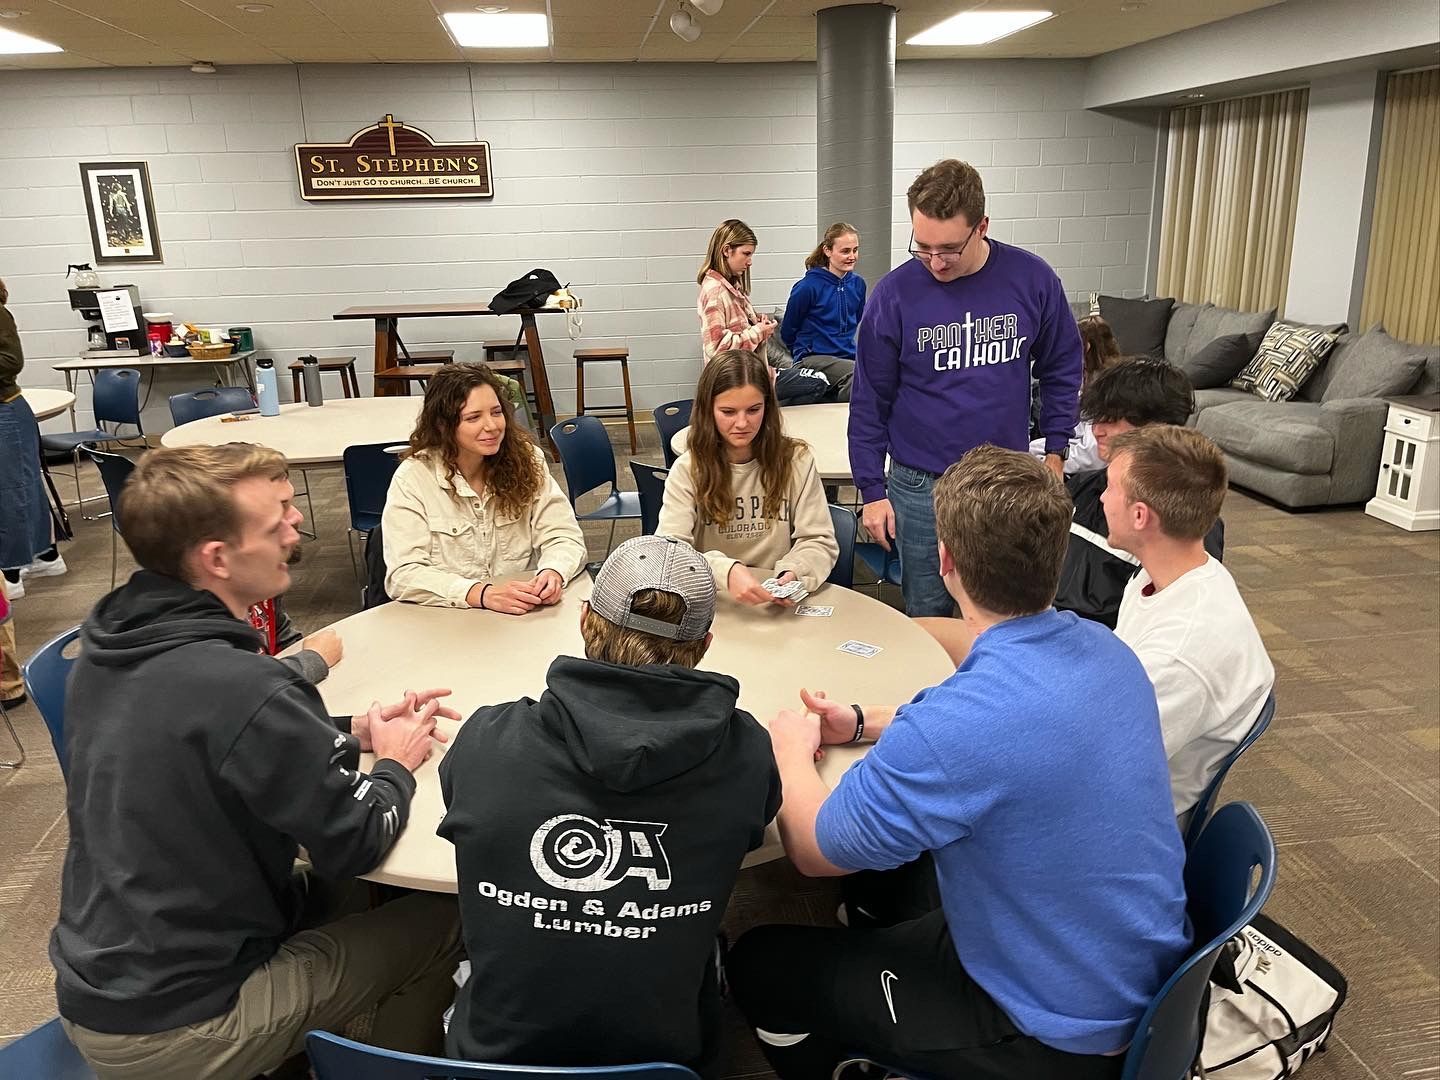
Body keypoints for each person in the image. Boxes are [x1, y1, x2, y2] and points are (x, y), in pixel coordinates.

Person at [727, 446, 1190, 1080]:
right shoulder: (1107, 650)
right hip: (1134, 975)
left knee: (761, 960)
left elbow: (812, 851)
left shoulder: (954, 732)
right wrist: (863, 721)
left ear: (945, 561)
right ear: (1057, 557)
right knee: (893, 889)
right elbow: (993, 717)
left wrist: (788, 747)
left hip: (1049, 1032)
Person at [52, 443, 464, 1080]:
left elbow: (211, 734)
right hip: (182, 1022)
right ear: (217, 558)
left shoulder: (114, 643)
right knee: (443, 919)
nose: (297, 525)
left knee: (361, 893)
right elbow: (356, 839)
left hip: (110, 974)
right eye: (276, 522)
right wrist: (394, 764)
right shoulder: (244, 687)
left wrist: (350, 731)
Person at [438, 534, 781, 1077]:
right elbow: (756, 824)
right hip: (669, 1057)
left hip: (496, 1060)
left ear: (584, 620)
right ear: (705, 644)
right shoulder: (747, 752)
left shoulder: (487, 738)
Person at [849, 159, 1083, 617]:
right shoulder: (893, 295)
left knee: (1007, 615)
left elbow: (1062, 365)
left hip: (1005, 480)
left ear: (982, 227)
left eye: (950, 249)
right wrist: (872, 490)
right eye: (923, 247)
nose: (936, 262)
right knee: (928, 613)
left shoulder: (1032, 279)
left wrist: (1057, 449)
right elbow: (869, 401)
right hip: (921, 485)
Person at [1103, 424, 1275, 823]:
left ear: (1140, 516)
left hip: (1129, 822)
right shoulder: (1174, 575)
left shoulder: (1179, 655)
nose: (1101, 497)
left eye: (1109, 487)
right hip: (1120, 771)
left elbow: (1099, 761)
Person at [384, 362, 586, 613]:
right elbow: (403, 574)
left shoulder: (527, 460)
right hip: (447, 617)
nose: (492, 426)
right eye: (473, 418)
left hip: (521, 615)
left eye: (496, 412)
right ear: (442, 425)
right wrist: (479, 594)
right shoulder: (414, 478)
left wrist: (553, 571)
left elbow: (563, 535)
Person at [658, 350, 839, 605]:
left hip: (775, 604)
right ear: (708, 410)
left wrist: (794, 572)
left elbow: (818, 540)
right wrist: (726, 571)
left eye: (754, 410)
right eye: (728, 412)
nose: (742, 423)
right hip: (714, 602)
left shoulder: (796, 460)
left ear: (768, 406)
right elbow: (670, 551)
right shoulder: (688, 470)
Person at [1056, 357, 1224, 630]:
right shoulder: (1081, 489)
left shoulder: (1183, 522)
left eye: (1111, 420)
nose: (1097, 430)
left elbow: (1171, 623)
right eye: (1096, 418)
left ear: (1155, 427)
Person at [698, 219, 831, 406]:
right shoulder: (716, 291)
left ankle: (765, 413)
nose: (750, 262)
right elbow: (717, 349)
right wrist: (758, 331)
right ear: (727, 250)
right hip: (737, 380)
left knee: (819, 379)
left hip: (751, 372)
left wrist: (755, 322)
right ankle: (766, 414)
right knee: (818, 382)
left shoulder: (730, 287)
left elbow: (735, 329)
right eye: (746, 254)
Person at [0, 276, 67, 605]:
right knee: (23, 485)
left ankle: (9, 572)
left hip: (6, 410)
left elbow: (12, 361)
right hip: (8, 411)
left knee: (11, 490)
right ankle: (45, 555)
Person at [779, 222, 864, 402]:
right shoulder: (807, 287)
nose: (852, 256)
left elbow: (855, 320)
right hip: (812, 358)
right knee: (859, 375)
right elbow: (788, 331)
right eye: (845, 251)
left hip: (847, 358)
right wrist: (806, 349)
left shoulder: (858, 285)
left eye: (855, 250)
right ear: (827, 250)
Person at [1029, 313, 1122, 474]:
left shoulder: (1107, 386)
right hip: (1080, 440)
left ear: (1087, 346)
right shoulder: (1088, 374)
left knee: (1033, 457)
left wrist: (1052, 461)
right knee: (1031, 449)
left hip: (1095, 454)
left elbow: (1092, 452)